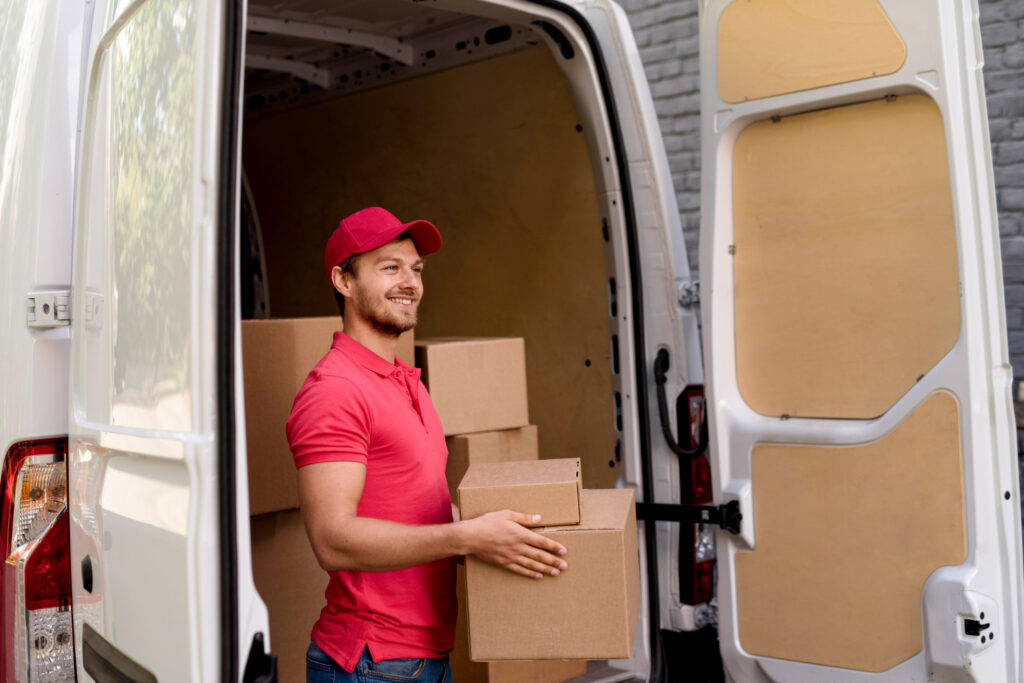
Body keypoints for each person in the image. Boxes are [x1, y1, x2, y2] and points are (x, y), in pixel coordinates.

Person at [286, 207, 568, 683]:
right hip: (371, 662)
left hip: (424, 658)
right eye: (390, 267)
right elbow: (332, 539)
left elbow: (414, 511)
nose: (410, 282)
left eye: (416, 269)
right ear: (343, 280)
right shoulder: (335, 390)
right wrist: (467, 537)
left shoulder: (407, 383)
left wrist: (492, 535)